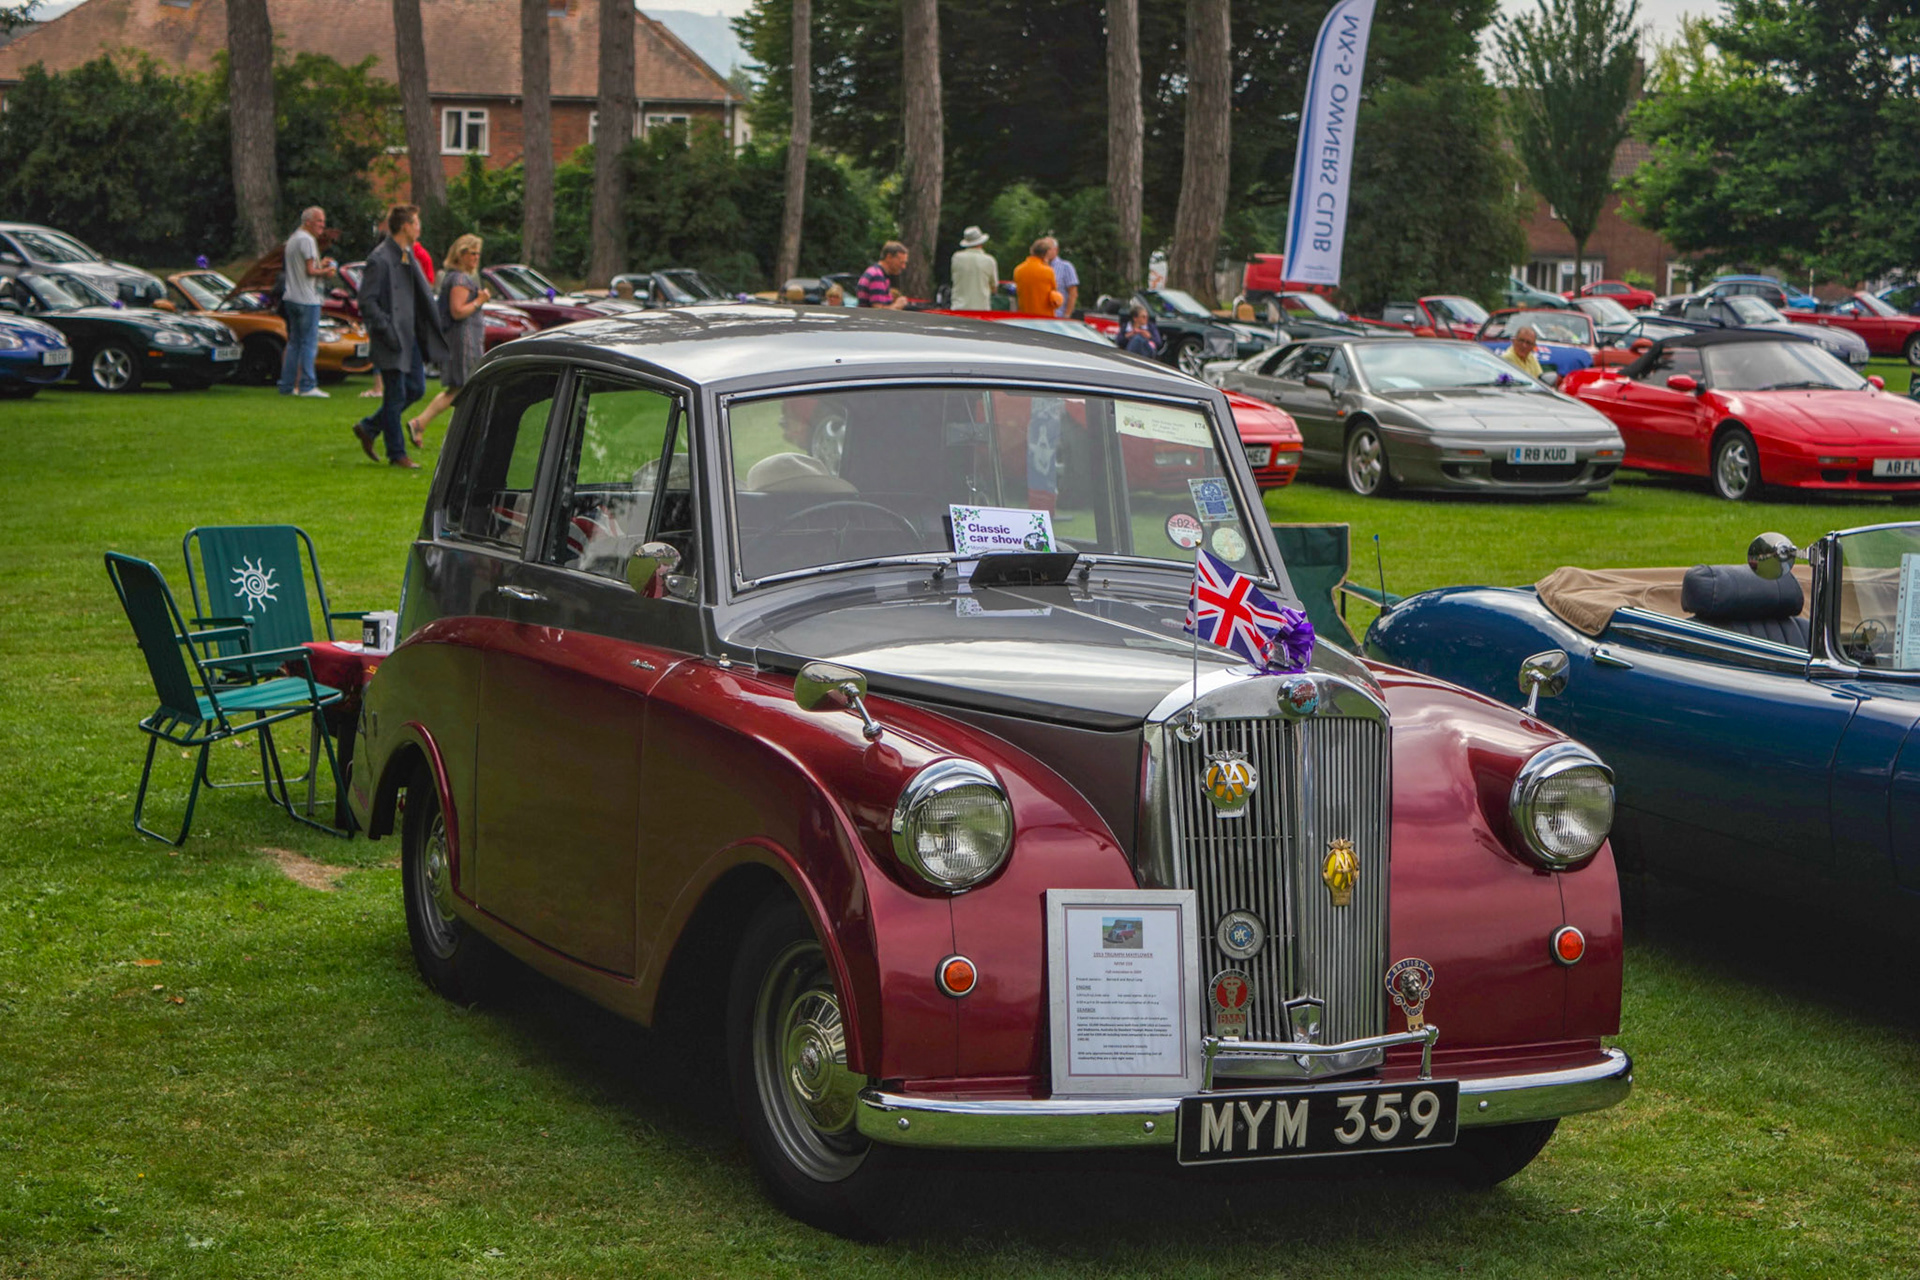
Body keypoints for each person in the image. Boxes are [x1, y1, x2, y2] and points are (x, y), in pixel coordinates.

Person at [350, 204, 448, 471]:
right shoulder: (380, 259)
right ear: (405, 226)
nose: (419, 228)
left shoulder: (407, 255)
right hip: (391, 337)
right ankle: (397, 454)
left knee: (416, 388)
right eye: (416, 223)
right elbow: (367, 302)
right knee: (395, 395)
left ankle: (369, 427)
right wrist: (385, 327)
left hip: (410, 335)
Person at [406, 234, 490, 447]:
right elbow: (457, 311)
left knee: (461, 389)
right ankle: (421, 423)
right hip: (462, 341)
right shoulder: (460, 279)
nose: (475, 258)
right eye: (472, 253)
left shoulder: (459, 278)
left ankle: (432, 427)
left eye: (478, 254)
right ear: (460, 254)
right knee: (461, 389)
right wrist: (479, 301)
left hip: (464, 340)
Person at [278, 206, 336, 398]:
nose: (322, 225)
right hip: (307, 299)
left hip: (291, 297)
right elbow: (310, 271)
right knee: (309, 343)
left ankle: (286, 385)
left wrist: (321, 265)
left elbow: (304, 268)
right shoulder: (308, 240)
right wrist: (326, 272)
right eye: (319, 221)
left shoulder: (293, 239)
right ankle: (307, 385)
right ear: (308, 221)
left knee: (294, 342)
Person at [949, 226, 998, 311]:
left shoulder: (956, 257)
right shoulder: (989, 260)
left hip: (959, 308)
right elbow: (994, 288)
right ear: (981, 242)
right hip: (981, 309)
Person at [1013, 238, 1061, 317]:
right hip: (1044, 316)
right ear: (1046, 254)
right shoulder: (1048, 271)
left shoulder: (1018, 269)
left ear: (1031, 251)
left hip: (1024, 315)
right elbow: (1054, 293)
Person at [857, 242, 911, 309]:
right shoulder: (877, 276)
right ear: (889, 257)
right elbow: (878, 312)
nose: (903, 267)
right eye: (901, 262)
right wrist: (897, 305)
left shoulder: (875, 272)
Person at [1046, 238, 1079, 318]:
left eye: (1048, 249)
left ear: (1056, 250)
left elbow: (1073, 293)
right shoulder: (1040, 267)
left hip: (1058, 316)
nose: (1045, 252)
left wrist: (1067, 315)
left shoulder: (1065, 267)